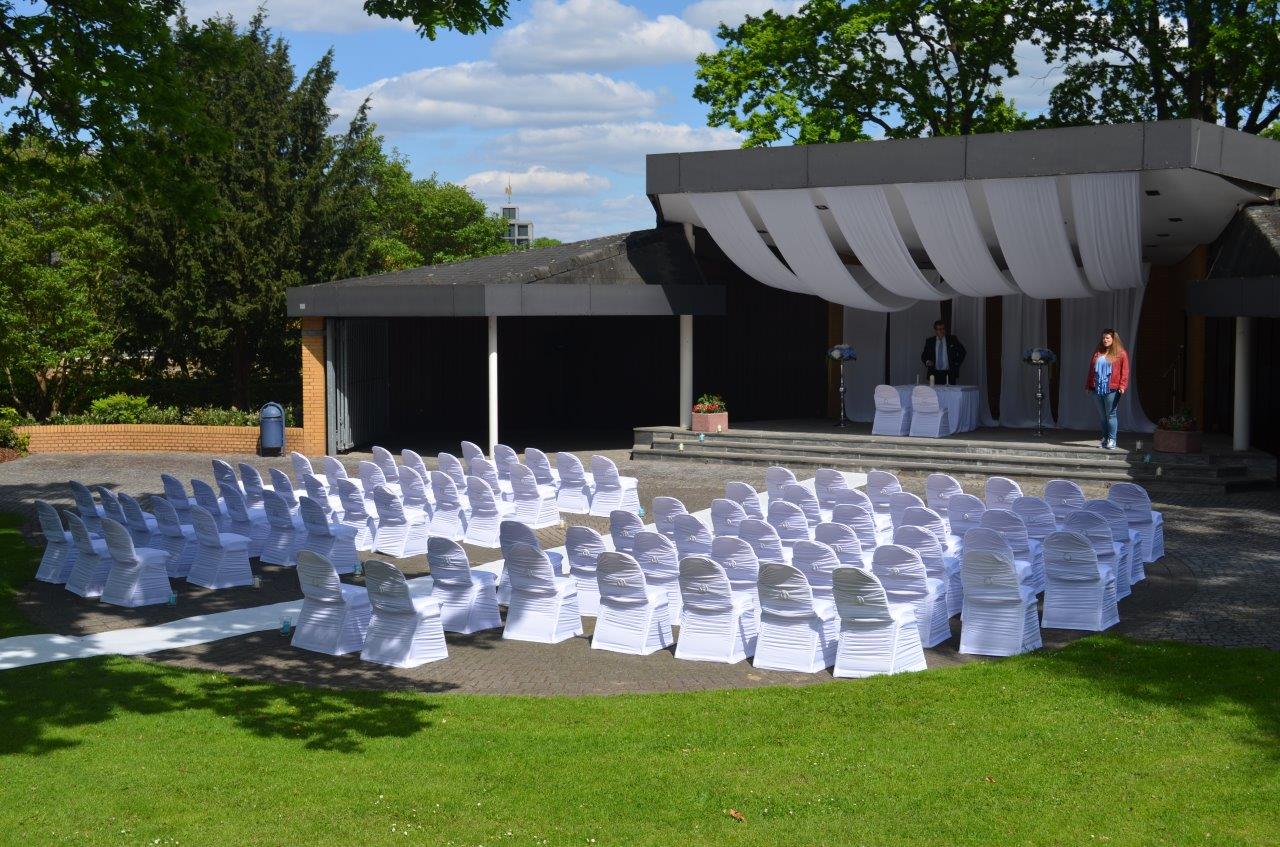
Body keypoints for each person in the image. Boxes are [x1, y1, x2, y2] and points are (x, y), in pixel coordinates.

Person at [1085, 328, 1129, 450]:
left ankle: (1112, 440)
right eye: (1103, 338)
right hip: (1097, 389)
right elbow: (1091, 370)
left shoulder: (1121, 353)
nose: (1105, 340)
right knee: (1102, 416)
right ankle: (1105, 439)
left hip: (1112, 389)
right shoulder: (1098, 353)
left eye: (1107, 338)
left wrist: (1122, 386)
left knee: (1111, 415)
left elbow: (1125, 371)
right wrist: (1088, 385)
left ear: (1113, 339)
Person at [920, 320, 966, 385]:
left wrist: (956, 363)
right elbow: (924, 356)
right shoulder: (930, 341)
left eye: (943, 328)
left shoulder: (952, 339)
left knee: (950, 391)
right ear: (935, 331)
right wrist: (927, 362)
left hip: (949, 373)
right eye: (939, 329)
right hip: (934, 374)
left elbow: (962, 352)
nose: (942, 331)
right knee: (934, 391)